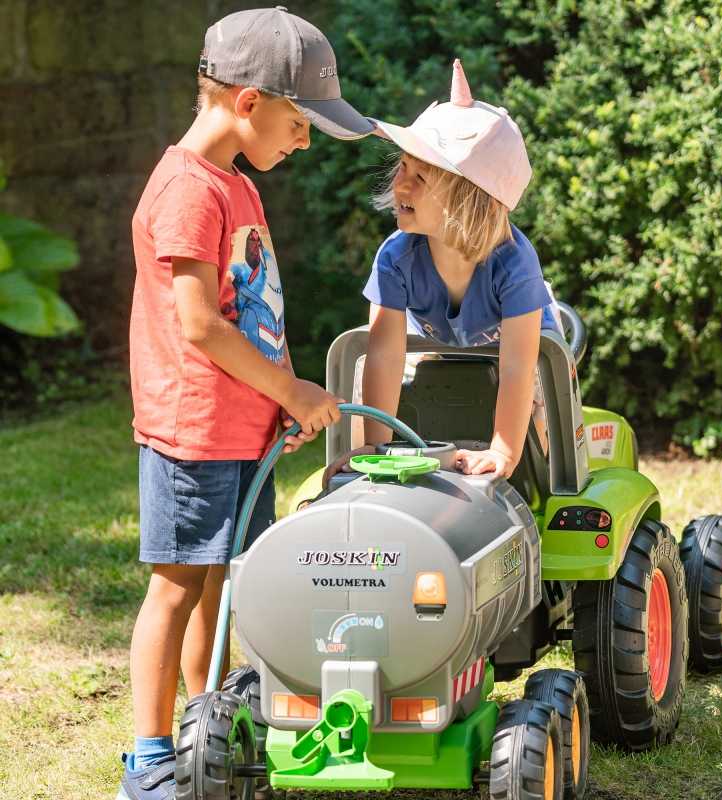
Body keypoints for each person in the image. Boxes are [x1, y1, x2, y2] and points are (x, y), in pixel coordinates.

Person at [119, 8, 373, 799]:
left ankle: (212, 724)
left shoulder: (238, 189)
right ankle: (153, 757)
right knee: (176, 583)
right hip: (192, 430)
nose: (303, 144)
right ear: (249, 103)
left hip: (242, 427)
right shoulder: (189, 190)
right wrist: (289, 388)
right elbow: (200, 325)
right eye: (301, 126)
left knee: (228, 580)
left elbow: (260, 310)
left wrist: (284, 397)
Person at [328, 59, 561, 484]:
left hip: (527, 344)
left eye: (421, 177)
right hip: (436, 343)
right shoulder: (395, 257)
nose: (401, 185)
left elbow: (515, 367)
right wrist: (377, 447)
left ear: (469, 201)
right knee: (378, 373)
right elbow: (385, 353)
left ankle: (541, 480)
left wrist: (503, 451)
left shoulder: (514, 262)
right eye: (402, 168)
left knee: (538, 397)